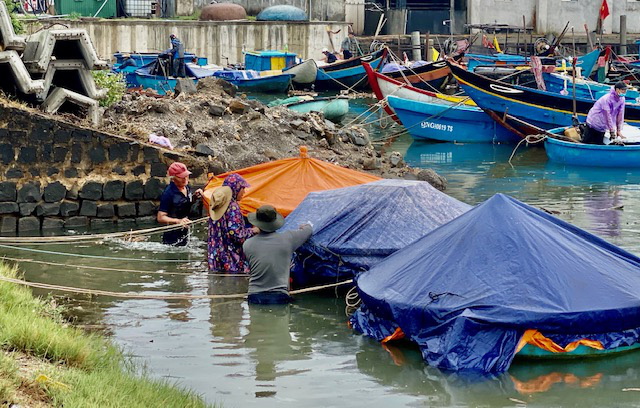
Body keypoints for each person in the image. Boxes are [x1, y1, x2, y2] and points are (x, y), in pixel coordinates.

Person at [243, 205, 313, 304]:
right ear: (275, 222)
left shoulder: (247, 244)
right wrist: (304, 226)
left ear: (257, 224)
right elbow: (309, 230)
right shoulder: (288, 239)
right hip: (279, 296)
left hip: (254, 296)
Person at [206, 173, 257, 273]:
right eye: (243, 188)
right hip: (230, 258)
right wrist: (254, 230)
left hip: (216, 255)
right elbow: (237, 235)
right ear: (236, 188)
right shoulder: (233, 207)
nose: (244, 192)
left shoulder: (219, 204)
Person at [157, 162, 202, 246]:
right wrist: (178, 221)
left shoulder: (187, 187)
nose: (185, 179)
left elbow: (185, 204)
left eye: (186, 176)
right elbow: (160, 217)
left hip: (185, 229)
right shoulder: (168, 193)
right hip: (172, 234)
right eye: (181, 177)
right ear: (173, 178)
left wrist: (195, 197)